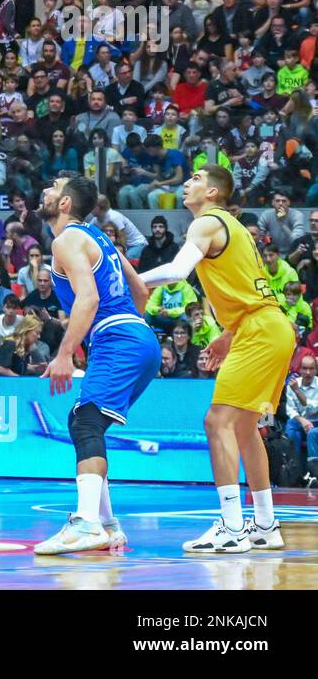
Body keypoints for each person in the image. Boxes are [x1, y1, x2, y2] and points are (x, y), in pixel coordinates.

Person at [139, 166, 293, 553]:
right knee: (243, 428)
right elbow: (248, 289)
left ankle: (231, 525)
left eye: (194, 178)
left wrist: (132, 277)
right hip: (266, 326)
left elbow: (177, 271)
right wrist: (228, 333)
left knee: (217, 421)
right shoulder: (232, 227)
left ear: (211, 191)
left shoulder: (207, 222)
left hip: (260, 330)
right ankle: (264, 524)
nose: (187, 183)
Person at [34, 175, 161, 555]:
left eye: (54, 187)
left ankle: (87, 523)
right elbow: (139, 290)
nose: (46, 190)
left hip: (119, 337)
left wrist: (64, 353)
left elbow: (87, 298)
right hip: (137, 336)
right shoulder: (100, 238)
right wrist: (126, 327)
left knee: (87, 420)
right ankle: (108, 526)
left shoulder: (67, 239)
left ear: (66, 204)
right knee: (84, 421)